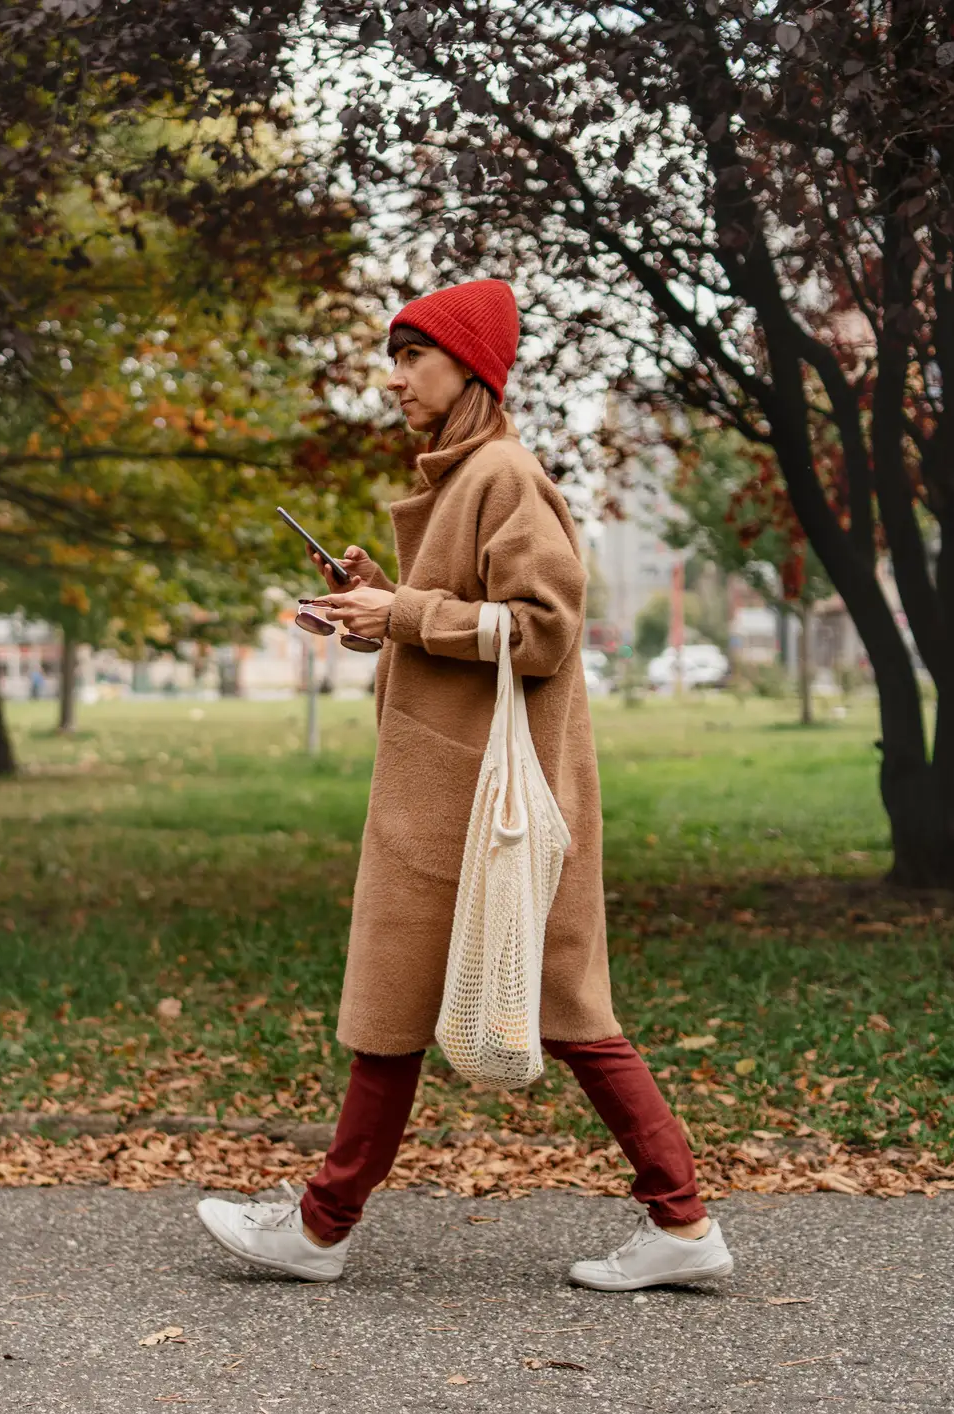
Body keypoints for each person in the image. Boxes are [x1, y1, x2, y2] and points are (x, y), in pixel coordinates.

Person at [195, 278, 733, 1292]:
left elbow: (541, 633)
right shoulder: (461, 477)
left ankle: (322, 1229)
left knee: (558, 1011)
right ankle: (328, 1224)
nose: (393, 378)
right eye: (394, 357)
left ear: (468, 369)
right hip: (452, 795)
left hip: (490, 803)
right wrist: (377, 596)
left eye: (412, 357)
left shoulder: (501, 473)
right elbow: (461, 613)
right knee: (413, 1009)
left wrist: (400, 613)